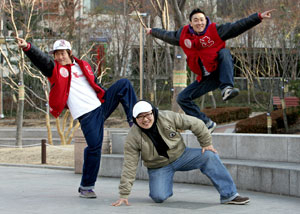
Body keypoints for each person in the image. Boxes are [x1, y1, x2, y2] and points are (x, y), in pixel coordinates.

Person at [16, 38, 137, 198]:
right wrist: (28, 47)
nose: (59, 57)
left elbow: (93, 84)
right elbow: (42, 60)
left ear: (69, 53)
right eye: (56, 54)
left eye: (62, 53)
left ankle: (135, 120)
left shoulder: (83, 65)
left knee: (124, 84)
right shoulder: (55, 70)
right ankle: (86, 186)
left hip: (101, 104)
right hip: (87, 114)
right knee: (95, 147)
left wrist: (105, 94)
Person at [146, 9, 274, 133]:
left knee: (224, 52)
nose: (199, 23)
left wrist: (258, 17)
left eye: (202, 20)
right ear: (190, 23)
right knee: (182, 98)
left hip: (220, 71)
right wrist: (152, 31)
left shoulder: (215, 31)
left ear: (206, 21)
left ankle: (227, 88)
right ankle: (207, 123)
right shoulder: (183, 35)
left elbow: (238, 26)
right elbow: (167, 35)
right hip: (206, 78)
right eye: (196, 20)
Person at [112, 100, 249, 206]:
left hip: (182, 155)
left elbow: (196, 123)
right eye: (140, 117)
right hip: (158, 166)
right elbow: (130, 165)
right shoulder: (133, 137)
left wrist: (206, 143)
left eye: (147, 114)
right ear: (134, 119)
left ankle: (229, 195)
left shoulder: (167, 117)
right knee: (158, 197)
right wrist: (124, 194)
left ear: (153, 112)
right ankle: (164, 184)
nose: (145, 119)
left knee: (209, 155)